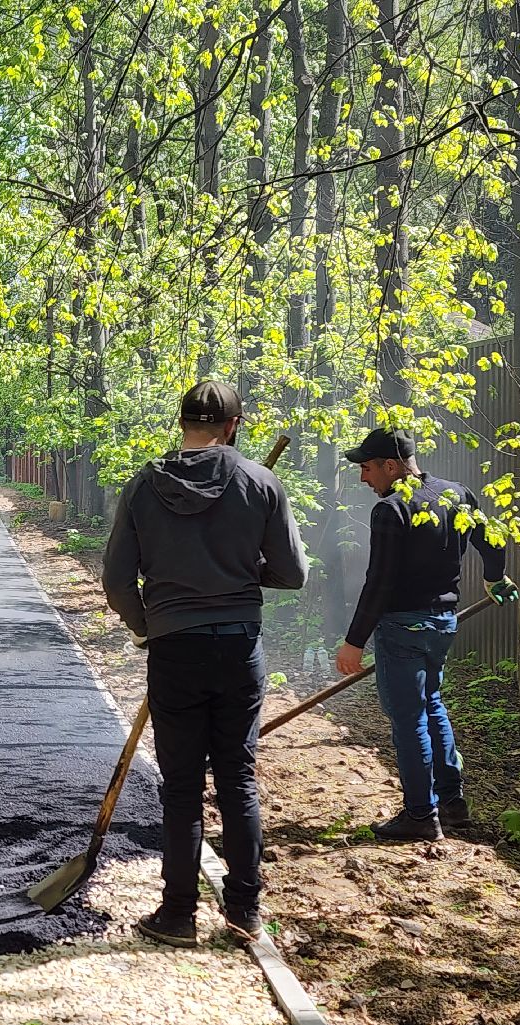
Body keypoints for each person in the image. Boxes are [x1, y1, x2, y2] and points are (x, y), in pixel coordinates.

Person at [102, 381, 307, 946]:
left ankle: (178, 915)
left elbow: (116, 580)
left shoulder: (144, 486)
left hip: (175, 649)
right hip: (239, 647)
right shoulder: (261, 483)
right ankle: (245, 912)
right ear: (233, 426)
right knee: (238, 778)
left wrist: (147, 624)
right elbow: (292, 574)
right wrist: (242, 574)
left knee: (183, 785)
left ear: (182, 425)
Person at [336, 427, 518, 842]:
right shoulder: (457, 494)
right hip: (442, 624)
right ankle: (452, 804)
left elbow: (378, 582)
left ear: (392, 465)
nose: (364, 478)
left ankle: (420, 814)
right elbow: (492, 541)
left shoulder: (392, 510)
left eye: (367, 468)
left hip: (402, 627)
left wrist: (354, 641)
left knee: (410, 719)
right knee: (431, 705)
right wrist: (495, 578)